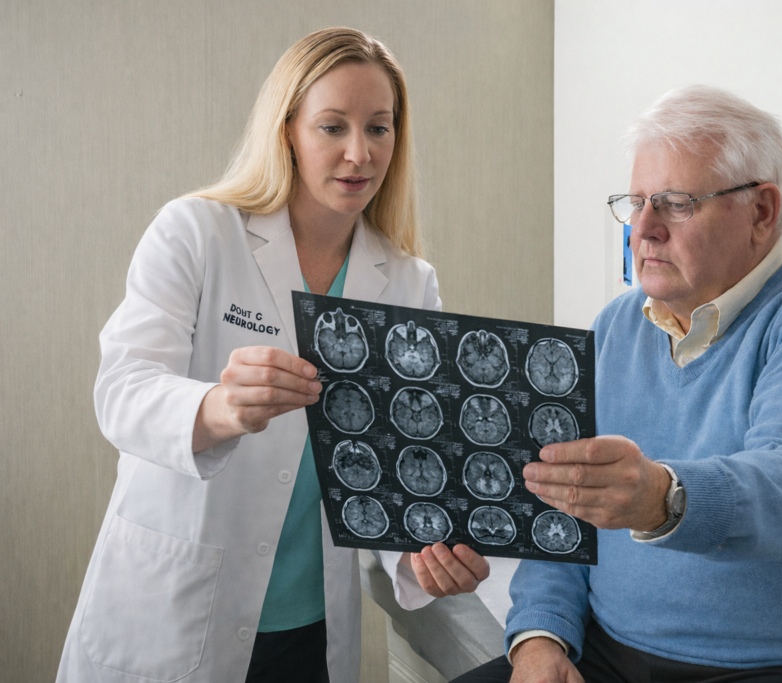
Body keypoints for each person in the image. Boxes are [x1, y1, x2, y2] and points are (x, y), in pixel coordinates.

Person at [456, 86, 782, 683]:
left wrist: (662, 497)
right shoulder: (615, 328)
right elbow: (564, 512)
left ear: (762, 212)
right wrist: (538, 636)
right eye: (637, 202)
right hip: (614, 653)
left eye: (677, 204)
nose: (644, 229)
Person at [57, 27, 490, 683]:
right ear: (287, 130)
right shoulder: (197, 232)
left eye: (378, 127)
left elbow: (400, 468)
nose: (359, 152)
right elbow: (122, 389)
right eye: (332, 126)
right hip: (175, 606)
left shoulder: (408, 283)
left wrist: (420, 556)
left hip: (311, 624)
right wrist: (218, 406)